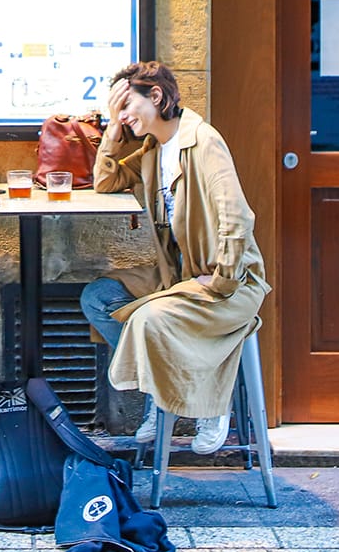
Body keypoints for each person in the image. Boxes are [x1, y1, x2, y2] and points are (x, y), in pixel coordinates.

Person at [81, 61, 269, 454]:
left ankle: (208, 403)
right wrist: (114, 130)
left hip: (229, 283)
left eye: (126, 106)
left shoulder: (202, 140)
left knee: (149, 317)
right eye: (117, 110)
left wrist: (223, 280)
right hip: (179, 276)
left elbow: (237, 216)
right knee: (97, 298)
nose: (123, 116)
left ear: (157, 96)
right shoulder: (154, 149)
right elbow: (106, 180)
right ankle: (160, 391)